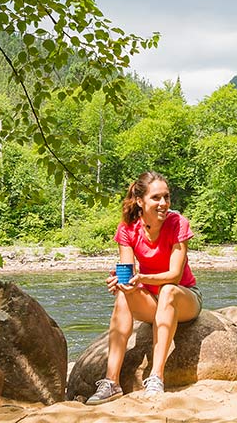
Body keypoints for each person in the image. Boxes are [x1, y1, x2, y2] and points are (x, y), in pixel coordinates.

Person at [85, 171, 200, 405]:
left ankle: (156, 378)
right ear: (140, 201)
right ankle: (111, 382)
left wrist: (143, 277)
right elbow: (128, 273)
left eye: (166, 197)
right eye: (156, 197)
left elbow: (175, 276)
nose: (163, 203)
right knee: (123, 295)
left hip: (183, 298)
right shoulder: (128, 229)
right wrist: (122, 282)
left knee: (168, 290)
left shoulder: (178, 223)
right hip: (152, 303)